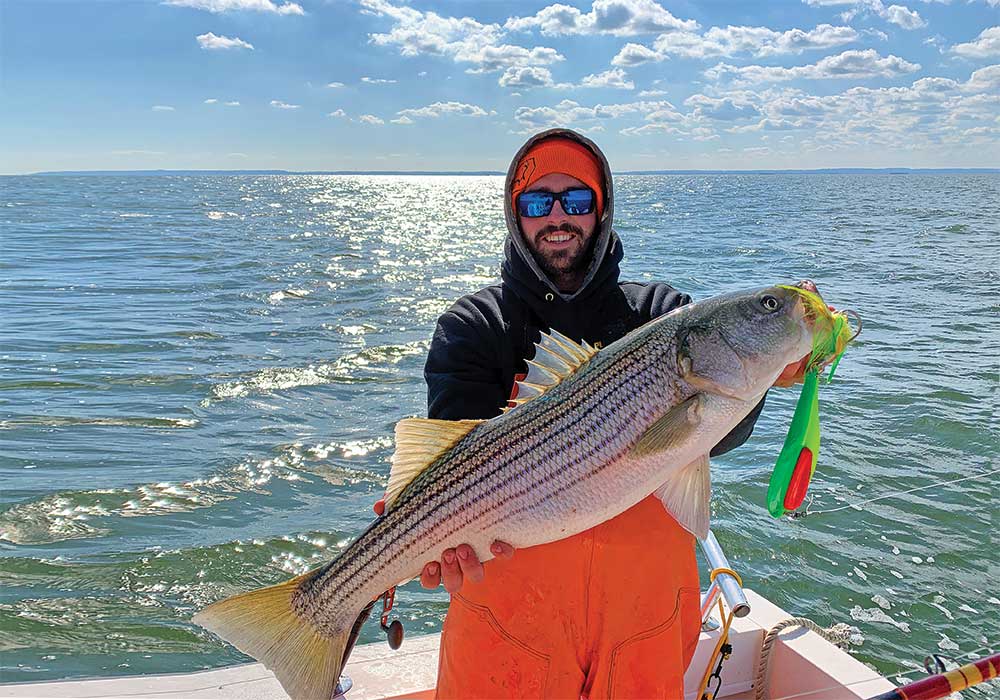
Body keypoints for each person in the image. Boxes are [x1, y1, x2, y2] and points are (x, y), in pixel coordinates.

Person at [412, 128, 807, 699]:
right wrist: (434, 539)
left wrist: (775, 362)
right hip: (508, 615)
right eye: (535, 202)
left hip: (643, 622)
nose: (557, 216)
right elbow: (451, 462)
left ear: (601, 210)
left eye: (576, 200)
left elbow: (715, 436)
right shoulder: (474, 325)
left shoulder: (663, 314)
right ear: (513, 214)